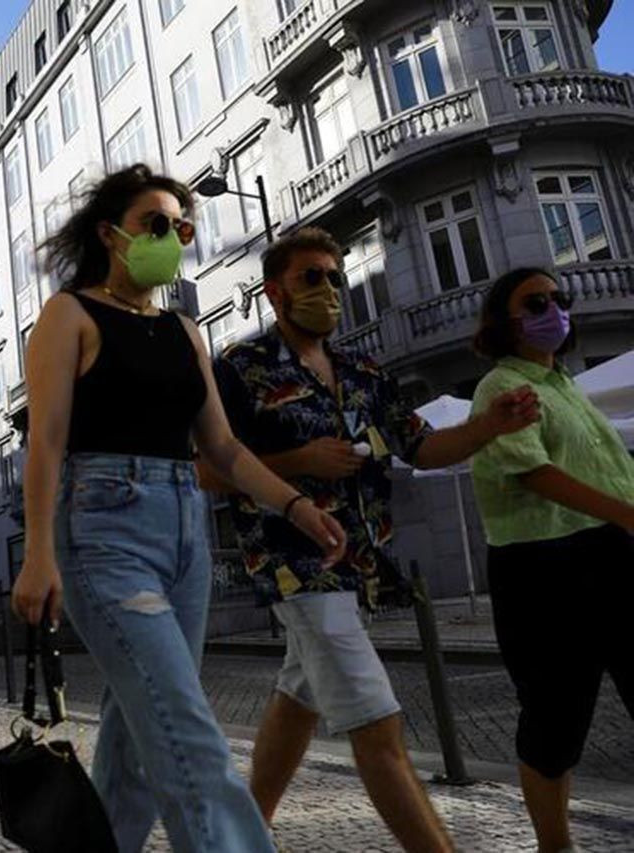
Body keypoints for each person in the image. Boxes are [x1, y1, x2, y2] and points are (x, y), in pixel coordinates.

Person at [11, 165, 349, 853]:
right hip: (102, 529)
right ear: (111, 234)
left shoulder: (184, 330)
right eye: (155, 224)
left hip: (184, 533)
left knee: (141, 726)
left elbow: (222, 446)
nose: (173, 237)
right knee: (186, 726)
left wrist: (294, 505)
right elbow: (46, 440)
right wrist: (37, 552)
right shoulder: (69, 314)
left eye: (182, 227)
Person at [207, 227, 539, 852]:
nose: (329, 289)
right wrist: (297, 457)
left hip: (358, 561)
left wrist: (489, 424)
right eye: (312, 278)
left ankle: (240, 833)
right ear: (275, 294)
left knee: (297, 696)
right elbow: (206, 467)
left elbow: (424, 446)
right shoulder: (240, 370)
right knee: (378, 722)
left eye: (335, 277)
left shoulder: (363, 372)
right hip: (294, 564)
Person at [468, 267, 634, 853]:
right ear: (504, 319)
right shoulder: (498, 389)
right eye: (536, 301)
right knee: (555, 720)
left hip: (612, 552)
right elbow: (534, 472)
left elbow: (614, 470)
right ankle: (554, 845)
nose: (554, 309)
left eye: (560, 298)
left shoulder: (568, 386)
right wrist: (625, 512)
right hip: (543, 567)